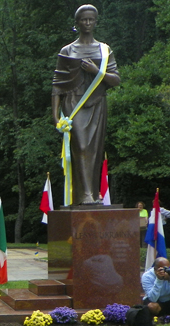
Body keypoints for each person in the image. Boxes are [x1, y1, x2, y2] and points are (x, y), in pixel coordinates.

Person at [52, 4, 120, 205]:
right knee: (81, 146)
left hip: (97, 103)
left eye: (91, 19)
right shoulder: (67, 50)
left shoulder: (104, 50)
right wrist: (55, 116)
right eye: (84, 19)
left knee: (95, 149)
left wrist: (95, 70)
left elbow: (115, 80)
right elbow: (57, 85)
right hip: (74, 103)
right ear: (77, 23)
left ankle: (92, 192)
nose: (87, 23)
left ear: (96, 22)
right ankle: (84, 194)